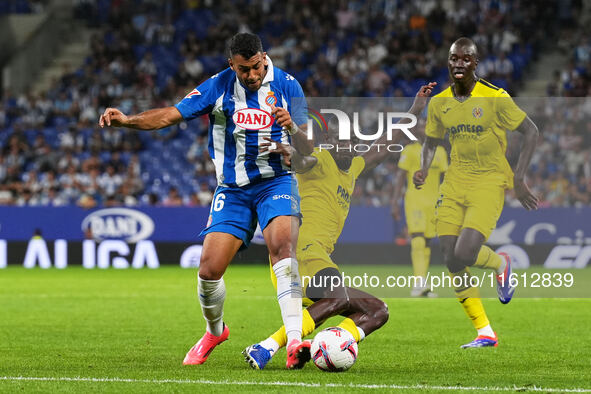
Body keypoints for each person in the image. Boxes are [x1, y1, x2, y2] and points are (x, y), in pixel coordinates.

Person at [99, 33, 314, 368]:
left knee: (283, 248)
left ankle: (295, 343)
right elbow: (170, 115)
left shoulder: (288, 86)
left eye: (256, 67)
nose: (252, 75)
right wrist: (127, 121)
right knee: (209, 270)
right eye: (244, 69)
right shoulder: (219, 86)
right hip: (233, 189)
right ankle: (215, 331)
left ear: (264, 58)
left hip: (277, 182)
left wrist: (295, 130)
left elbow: (310, 151)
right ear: (232, 64)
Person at [243, 83, 436, 369]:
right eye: (340, 141)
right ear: (329, 143)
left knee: (377, 310)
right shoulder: (320, 160)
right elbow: (301, 159)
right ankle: (266, 347)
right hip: (301, 252)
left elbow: (384, 145)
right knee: (339, 295)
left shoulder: (353, 169)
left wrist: (415, 110)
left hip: (319, 257)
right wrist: (289, 151)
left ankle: (330, 344)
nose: (347, 145)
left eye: (352, 141)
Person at [413, 38, 539, 348]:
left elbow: (531, 131)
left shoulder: (495, 97)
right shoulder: (439, 102)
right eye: (454, 58)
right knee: (449, 258)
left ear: (475, 63)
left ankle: (501, 263)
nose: (459, 63)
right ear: (448, 62)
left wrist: (519, 177)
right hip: (455, 182)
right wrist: (424, 167)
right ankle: (485, 332)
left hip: (490, 181)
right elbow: (430, 141)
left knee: (465, 254)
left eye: (465, 59)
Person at [392, 125, 448, 297]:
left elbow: (445, 178)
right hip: (414, 201)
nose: (423, 129)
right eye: (421, 126)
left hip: (434, 203)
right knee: (417, 239)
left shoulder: (440, 152)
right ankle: (418, 283)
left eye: (426, 126)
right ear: (415, 131)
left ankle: (422, 283)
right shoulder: (410, 150)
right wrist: (394, 201)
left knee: (428, 242)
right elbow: (401, 175)